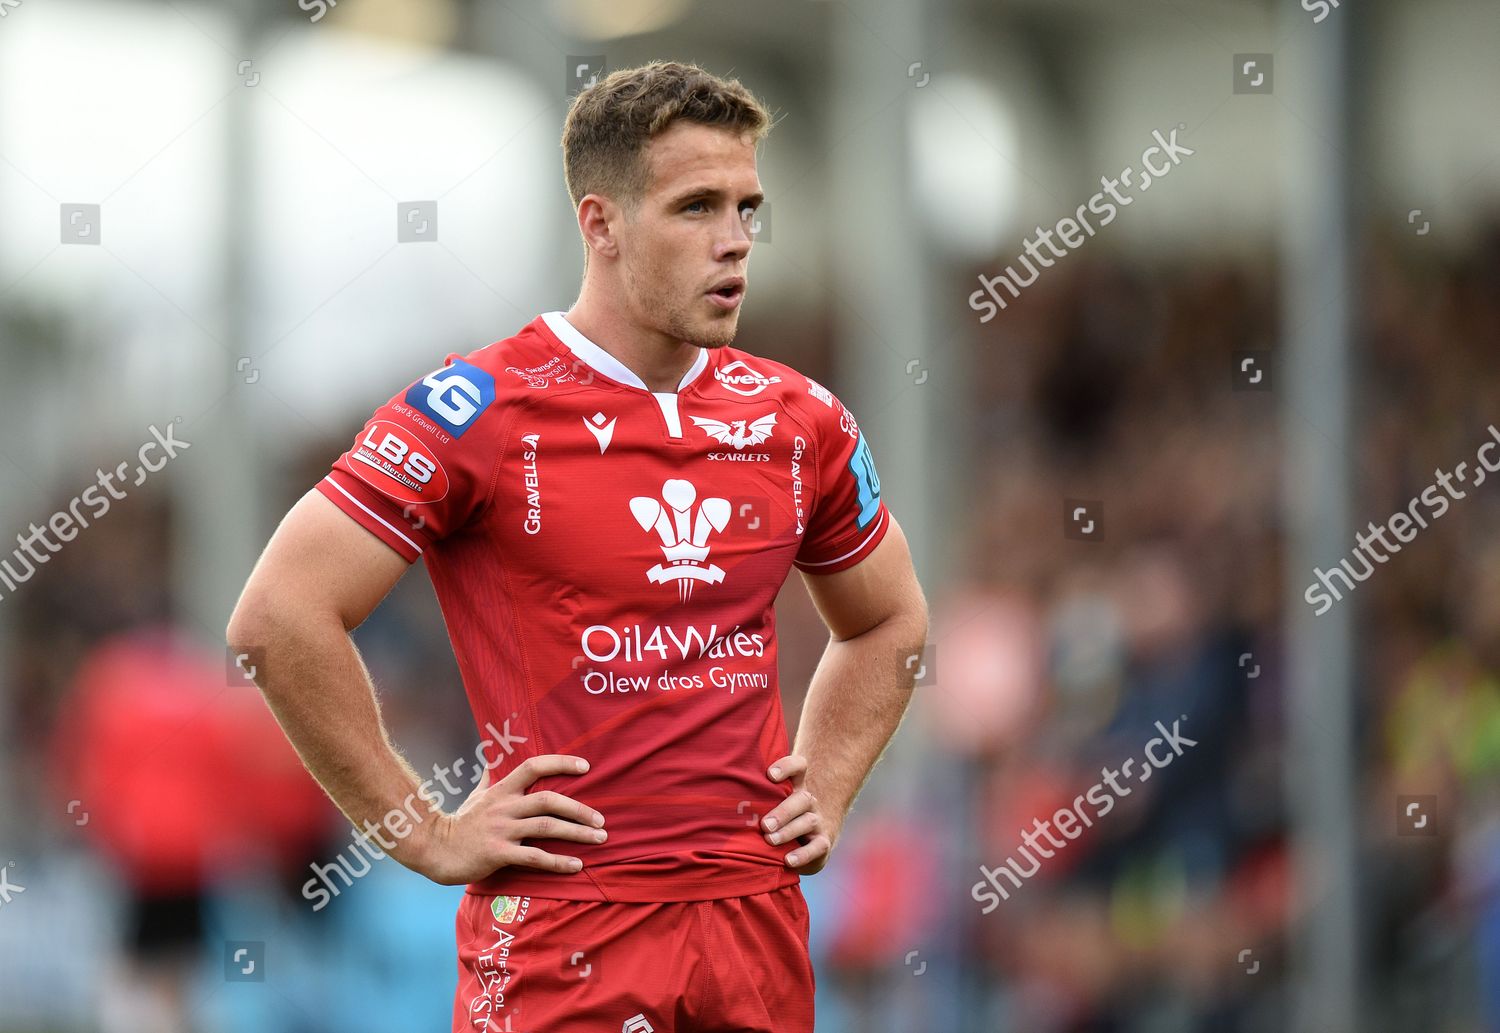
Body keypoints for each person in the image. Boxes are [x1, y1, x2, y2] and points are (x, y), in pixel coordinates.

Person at [227, 59, 927, 1033]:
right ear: (600, 223)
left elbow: (892, 619)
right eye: (695, 208)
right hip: (568, 929)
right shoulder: (477, 409)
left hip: (755, 922)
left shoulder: (797, 417)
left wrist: (831, 780)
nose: (733, 243)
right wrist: (420, 830)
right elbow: (277, 618)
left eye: (747, 208)